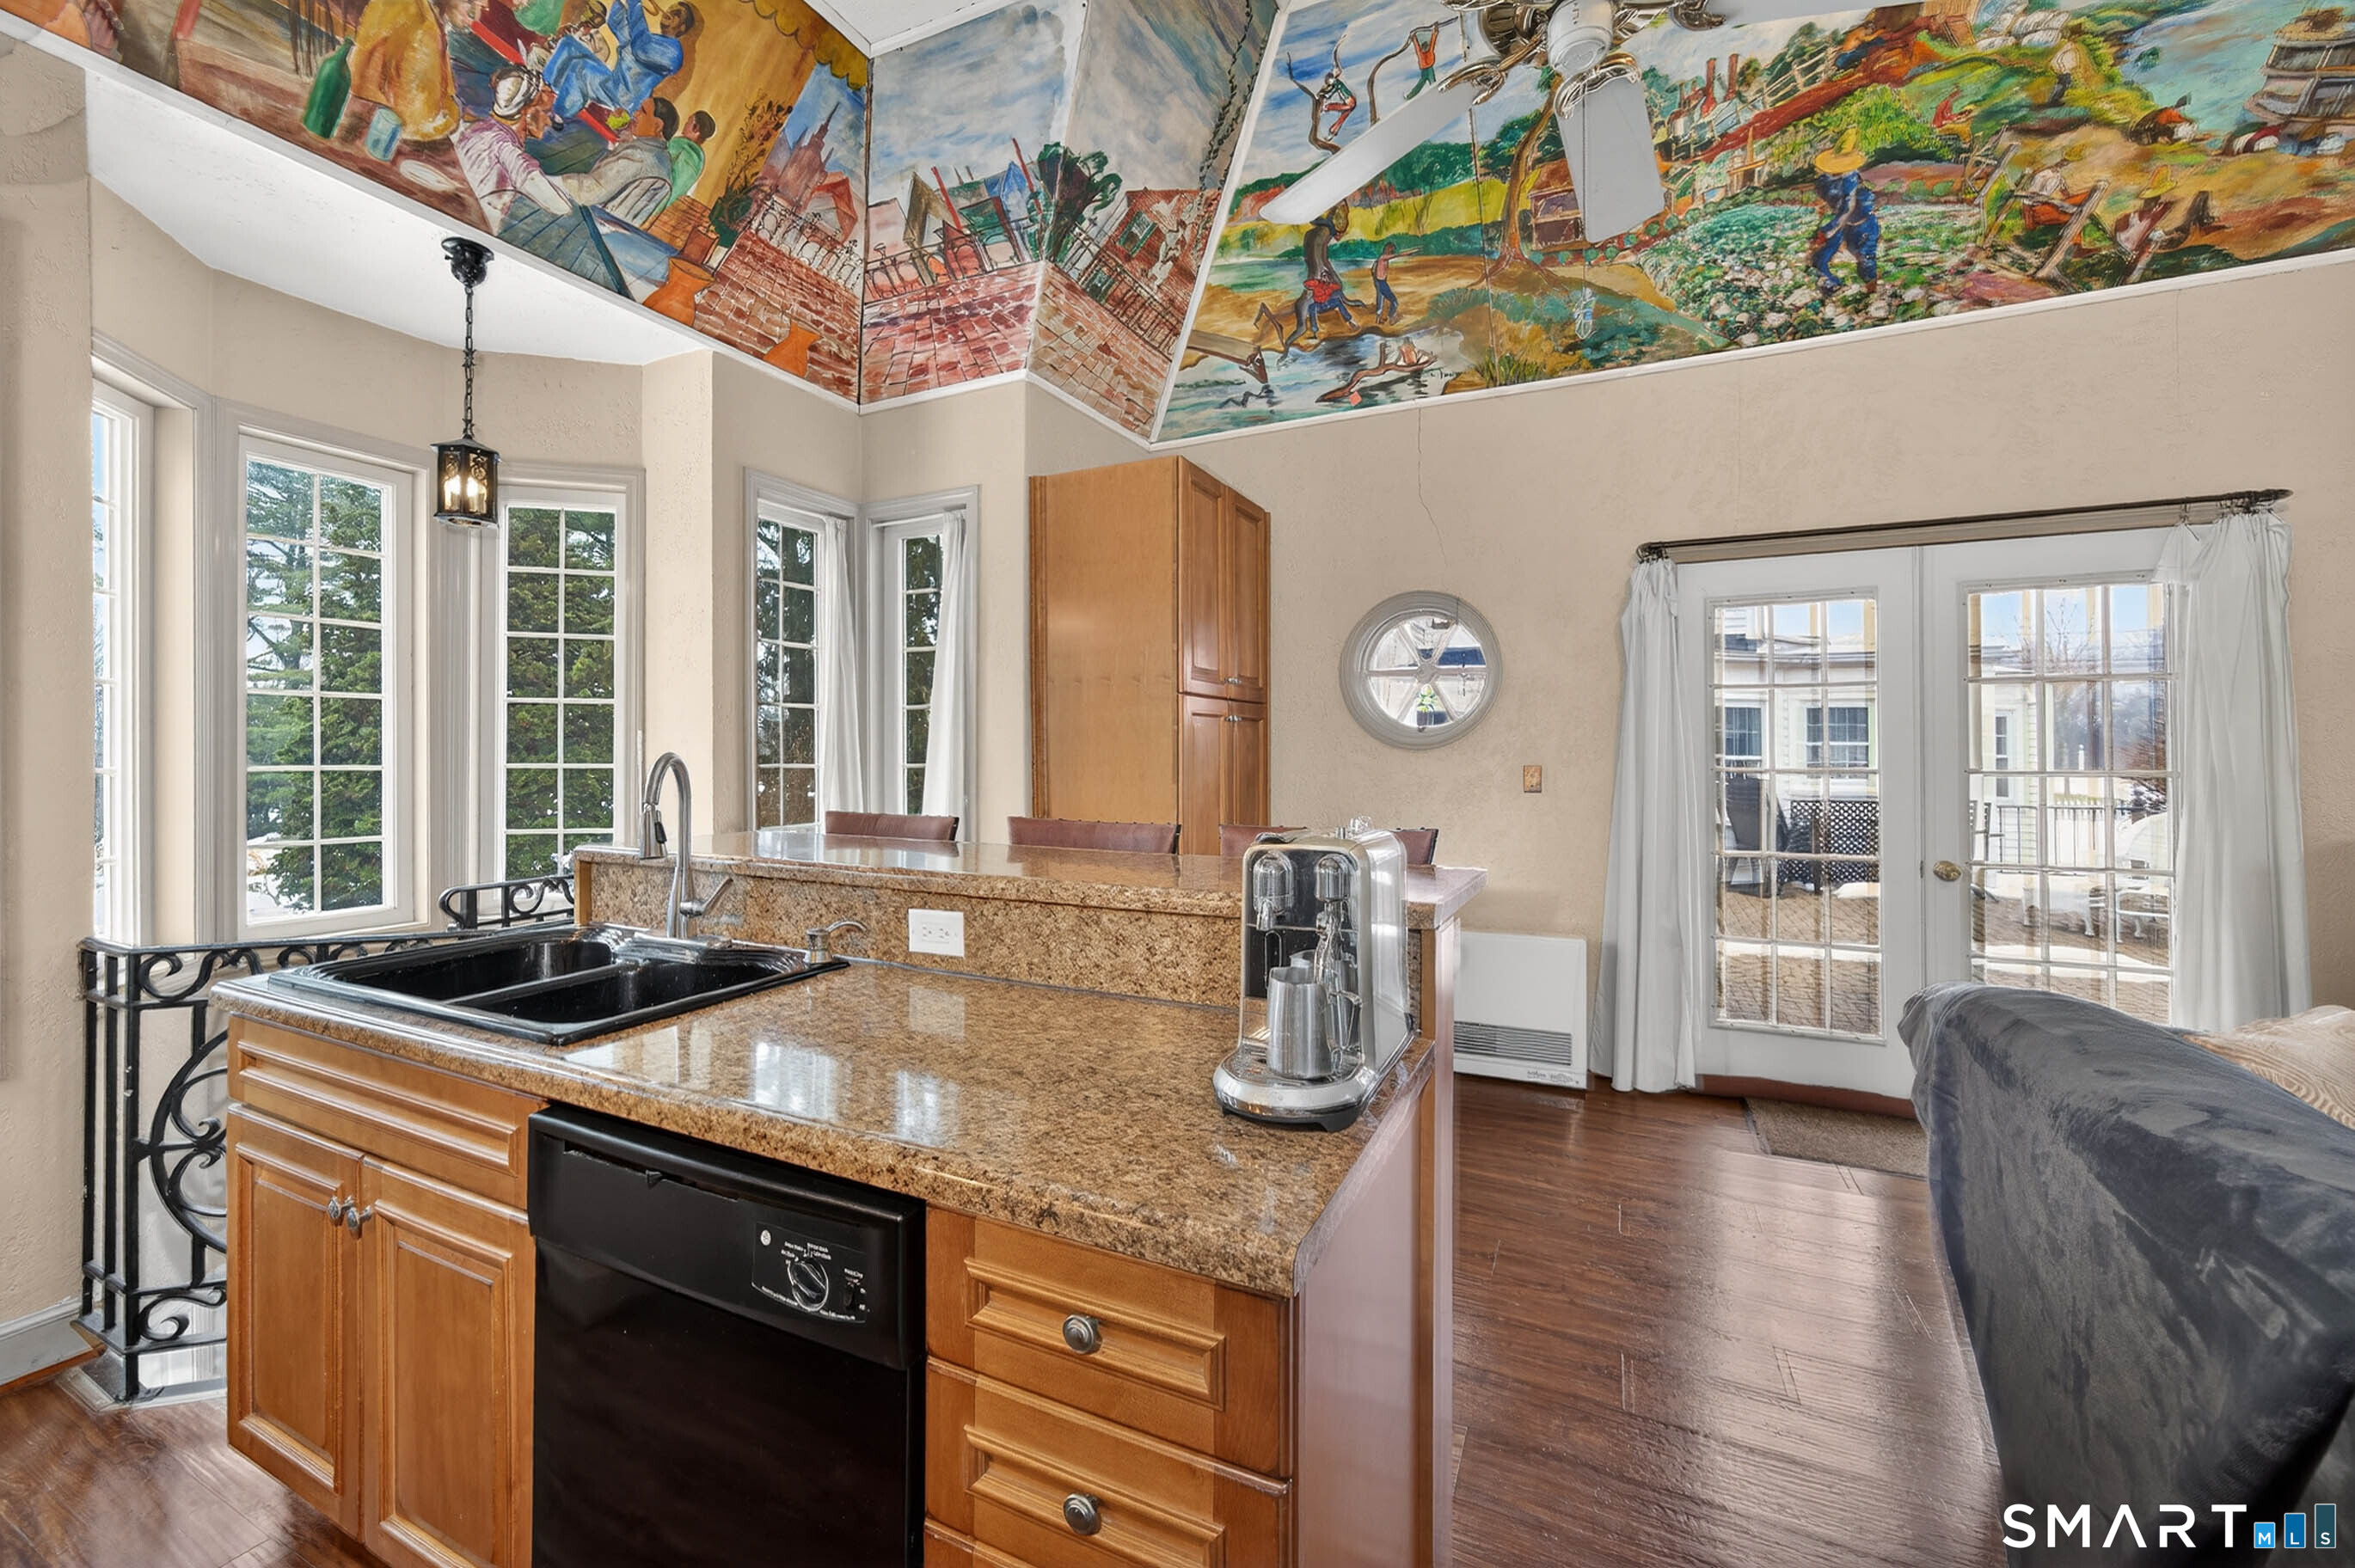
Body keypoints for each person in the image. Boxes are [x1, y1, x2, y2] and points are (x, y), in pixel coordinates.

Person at [457, 65, 576, 230]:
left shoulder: (476, 129)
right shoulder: (505, 148)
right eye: (546, 113)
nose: (550, 122)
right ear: (527, 112)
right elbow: (560, 206)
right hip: (475, 226)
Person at [542, 0, 696, 128]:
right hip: (614, 82)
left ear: (682, 28)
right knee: (569, 45)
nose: (668, 14)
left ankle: (558, 115)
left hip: (625, 98)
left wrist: (634, 4)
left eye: (676, 15)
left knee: (582, 70)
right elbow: (617, 25)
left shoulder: (674, 52)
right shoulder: (649, 36)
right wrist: (620, 4)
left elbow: (641, 47)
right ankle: (546, 85)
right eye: (670, 10)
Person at [349, 0, 481, 142]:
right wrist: (452, 119)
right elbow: (417, 124)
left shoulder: (407, 7)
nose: (474, 19)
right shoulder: (424, 31)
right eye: (470, 2)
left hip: (358, 108)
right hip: (381, 132)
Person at [1808, 129, 1879, 292]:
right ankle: (1832, 287)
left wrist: (1829, 230)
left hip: (1860, 226)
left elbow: (1848, 205)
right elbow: (1831, 201)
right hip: (1839, 222)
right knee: (1819, 258)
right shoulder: (1824, 178)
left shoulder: (1851, 178)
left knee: (1865, 259)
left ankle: (1871, 295)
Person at [1284, 203, 1358, 349]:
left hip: (1315, 288)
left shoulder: (1310, 234)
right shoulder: (1325, 234)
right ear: (1337, 229)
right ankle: (1310, 333)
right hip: (1316, 292)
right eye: (1341, 234)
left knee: (1318, 306)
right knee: (1313, 311)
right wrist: (1329, 276)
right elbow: (1324, 260)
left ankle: (1312, 332)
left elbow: (1310, 260)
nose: (1340, 237)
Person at [667, 107, 714, 203]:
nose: (686, 124)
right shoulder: (699, 159)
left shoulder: (680, 146)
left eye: (689, 121)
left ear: (696, 128)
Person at [1368, 240, 1400, 322]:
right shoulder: (1383, 258)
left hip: (1380, 282)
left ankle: (1380, 318)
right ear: (1388, 250)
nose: (1393, 252)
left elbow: (1373, 271)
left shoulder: (1382, 259)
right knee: (1386, 301)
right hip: (1380, 282)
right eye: (1392, 250)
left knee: (1381, 299)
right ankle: (1389, 317)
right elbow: (1374, 271)